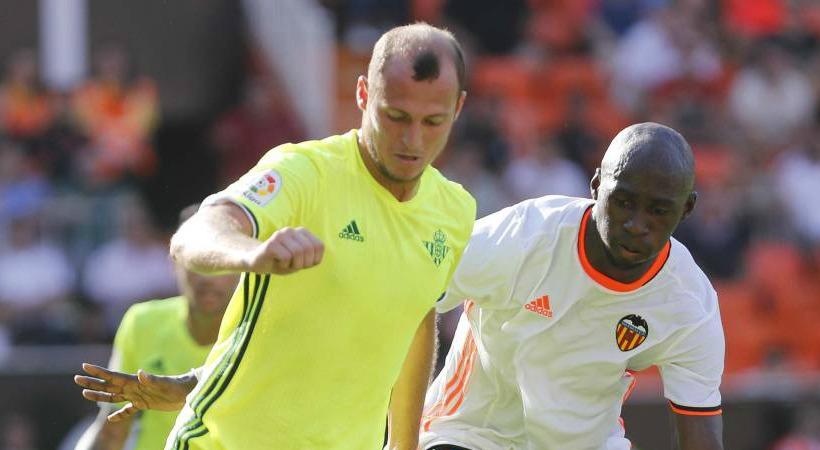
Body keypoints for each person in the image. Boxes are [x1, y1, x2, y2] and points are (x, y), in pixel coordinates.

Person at [75, 22, 476, 450]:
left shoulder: (454, 211)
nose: (413, 139)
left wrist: (403, 444)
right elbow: (195, 234)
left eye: (432, 122)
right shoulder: (305, 172)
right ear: (363, 94)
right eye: (395, 116)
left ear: (458, 108)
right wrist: (252, 252)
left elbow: (416, 318)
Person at [420, 123, 724, 450]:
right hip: (472, 436)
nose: (637, 225)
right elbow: (413, 296)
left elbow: (699, 425)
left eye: (658, 211)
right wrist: (400, 435)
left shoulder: (690, 303)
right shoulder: (523, 236)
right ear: (596, 186)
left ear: (687, 208)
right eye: (623, 202)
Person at [75, 204, 238, 450]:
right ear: (174, 262)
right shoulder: (141, 322)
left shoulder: (263, 332)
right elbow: (112, 429)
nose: (207, 277)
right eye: (196, 261)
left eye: (218, 261)